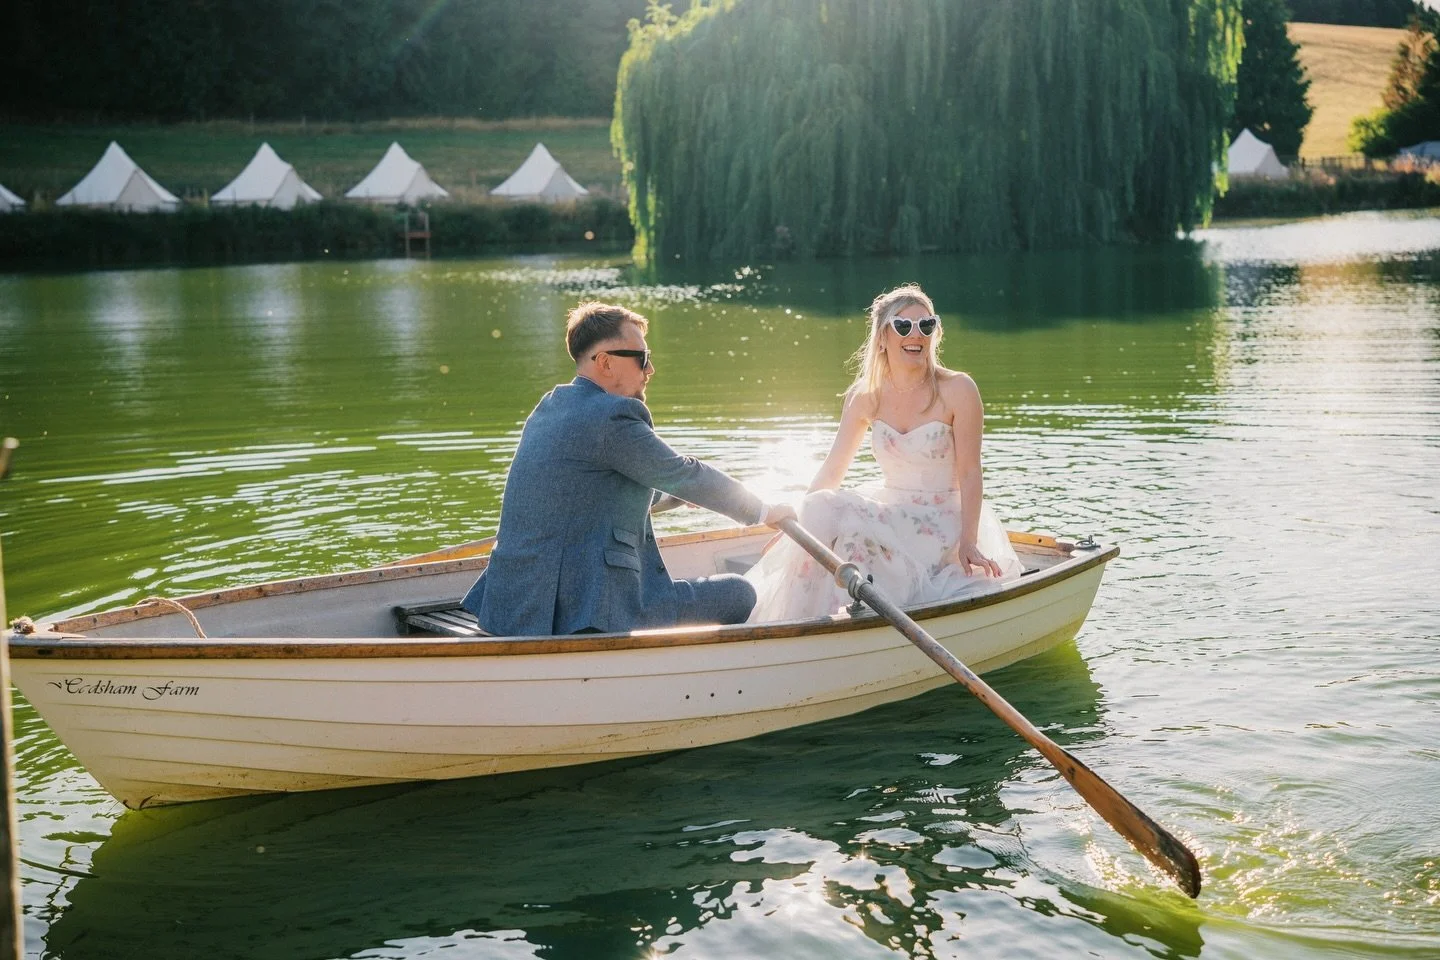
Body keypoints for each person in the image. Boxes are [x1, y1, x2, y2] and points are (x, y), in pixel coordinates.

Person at [462, 301, 795, 636]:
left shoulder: (550, 407)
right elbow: (685, 473)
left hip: (509, 610)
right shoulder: (613, 415)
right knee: (739, 592)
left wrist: (674, 494)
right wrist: (764, 510)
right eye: (642, 358)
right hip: (584, 613)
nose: (650, 370)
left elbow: (592, 493)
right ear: (605, 362)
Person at [745, 284, 1022, 622]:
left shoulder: (958, 390)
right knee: (834, 526)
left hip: (942, 525)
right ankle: (801, 627)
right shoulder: (866, 396)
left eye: (926, 325)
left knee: (842, 526)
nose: (916, 334)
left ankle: (832, 629)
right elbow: (833, 469)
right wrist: (799, 535)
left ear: (935, 333)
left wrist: (968, 541)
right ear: (882, 337)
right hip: (892, 514)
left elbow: (969, 473)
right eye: (903, 325)